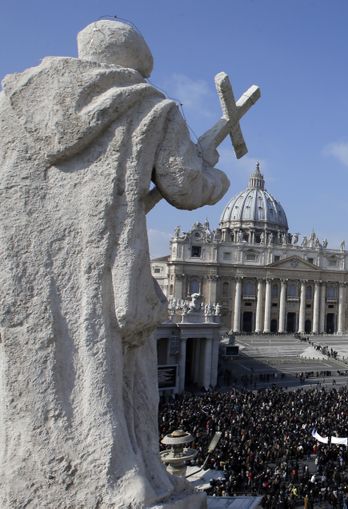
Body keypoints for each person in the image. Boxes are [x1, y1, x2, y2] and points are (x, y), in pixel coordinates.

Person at [0, 19, 229, 508]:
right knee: (113, 377)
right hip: (103, 271)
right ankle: (119, 475)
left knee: (36, 374)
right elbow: (186, 185)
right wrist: (214, 174)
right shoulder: (147, 102)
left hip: (23, 271)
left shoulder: (8, 101)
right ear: (136, 60)